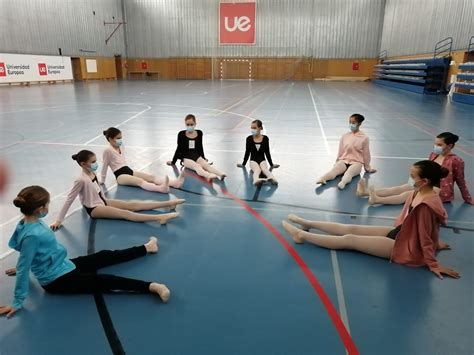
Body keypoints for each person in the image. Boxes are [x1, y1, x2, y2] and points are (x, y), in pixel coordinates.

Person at [0, 186, 170, 318]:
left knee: (103, 256)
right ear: (40, 209)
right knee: (104, 281)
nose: (48, 208)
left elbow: (19, 246)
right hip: (57, 280)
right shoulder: (32, 235)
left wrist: (26, 263)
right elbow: (25, 252)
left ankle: (146, 248)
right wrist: (17, 301)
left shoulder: (25, 222)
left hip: (64, 265)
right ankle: (150, 287)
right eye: (48, 205)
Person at [283, 160, 460, 279]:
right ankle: (307, 223)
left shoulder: (427, 205)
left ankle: (302, 236)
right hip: (400, 232)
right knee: (350, 228)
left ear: (425, 181)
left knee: (349, 240)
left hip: (407, 247)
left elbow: (424, 234)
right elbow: (431, 228)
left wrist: (433, 263)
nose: (410, 179)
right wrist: (437, 241)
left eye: (413, 177)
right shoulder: (418, 191)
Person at [50, 150, 183, 231]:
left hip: (103, 201)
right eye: (93, 162)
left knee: (134, 204)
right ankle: (159, 218)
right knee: (125, 213)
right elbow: (69, 200)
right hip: (95, 209)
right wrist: (59, 220)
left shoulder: (92, 174)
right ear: (83, 164)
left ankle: (168, 204)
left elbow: (98, 191)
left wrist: (105, 201)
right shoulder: (80, 179)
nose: (96, 163)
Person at [357, 132, 472, 205]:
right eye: (435, 144)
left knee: (406, 195)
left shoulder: (456, 161)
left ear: (450, 146)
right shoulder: (434, 154)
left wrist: (467, 198)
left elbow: (461, 181)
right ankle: (364, 192)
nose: (436, 147)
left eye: (439, 145)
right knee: (398, 188)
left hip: (437, 190)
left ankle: (377, 200)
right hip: (424, 182)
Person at [101, 127, 185, 193]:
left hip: (128, 170)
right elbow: (104, 166)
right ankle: (160, 189)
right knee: (140, 181)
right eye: (118, 138)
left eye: (121, 138)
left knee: (150, 177)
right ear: (110, 139)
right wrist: (102, 180)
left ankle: (175, 183)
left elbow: (122, 160)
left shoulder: (122, 146)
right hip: (120, 176)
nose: (120, 140)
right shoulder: (107, 150)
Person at [316, 114, 376, 189]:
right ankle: (322, 179)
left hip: (356, 163)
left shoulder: (365, 138)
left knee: (349, 173)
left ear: (359, 124)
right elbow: (340, 151)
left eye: (353, 123)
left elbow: (366, 154)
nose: (351, 124)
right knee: (334, 171)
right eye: (350, 122)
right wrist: (337, 162)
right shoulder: (345, 136)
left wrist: (367, 168)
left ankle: (343, 183)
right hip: (344, 160)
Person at [167, 114, 226, 182]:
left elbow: (200, 146)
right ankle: (208, 175)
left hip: (196, 155)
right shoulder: (181, 134)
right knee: (197, 167)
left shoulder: (199, 133)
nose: (189, 126)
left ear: (195, 124)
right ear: (185, 124)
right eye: (187, 124)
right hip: (186, 158)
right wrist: (173, 162)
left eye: (191, 124)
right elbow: (178, 148)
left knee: (206, 165)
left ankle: (221, 174)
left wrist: (203, 158)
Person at [237, 119, 280, 185]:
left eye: (254, 128)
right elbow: (247, 152)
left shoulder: (265, 138)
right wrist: (243, 164)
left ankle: (273, 179)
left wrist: (271, 164)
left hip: (262, 159)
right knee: (257, 170)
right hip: (253, 160)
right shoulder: (249, 139)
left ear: (260, 128)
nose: (252, 129)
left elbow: (267, 152)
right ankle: (256, 180)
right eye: (251, 128)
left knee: (265, 169)